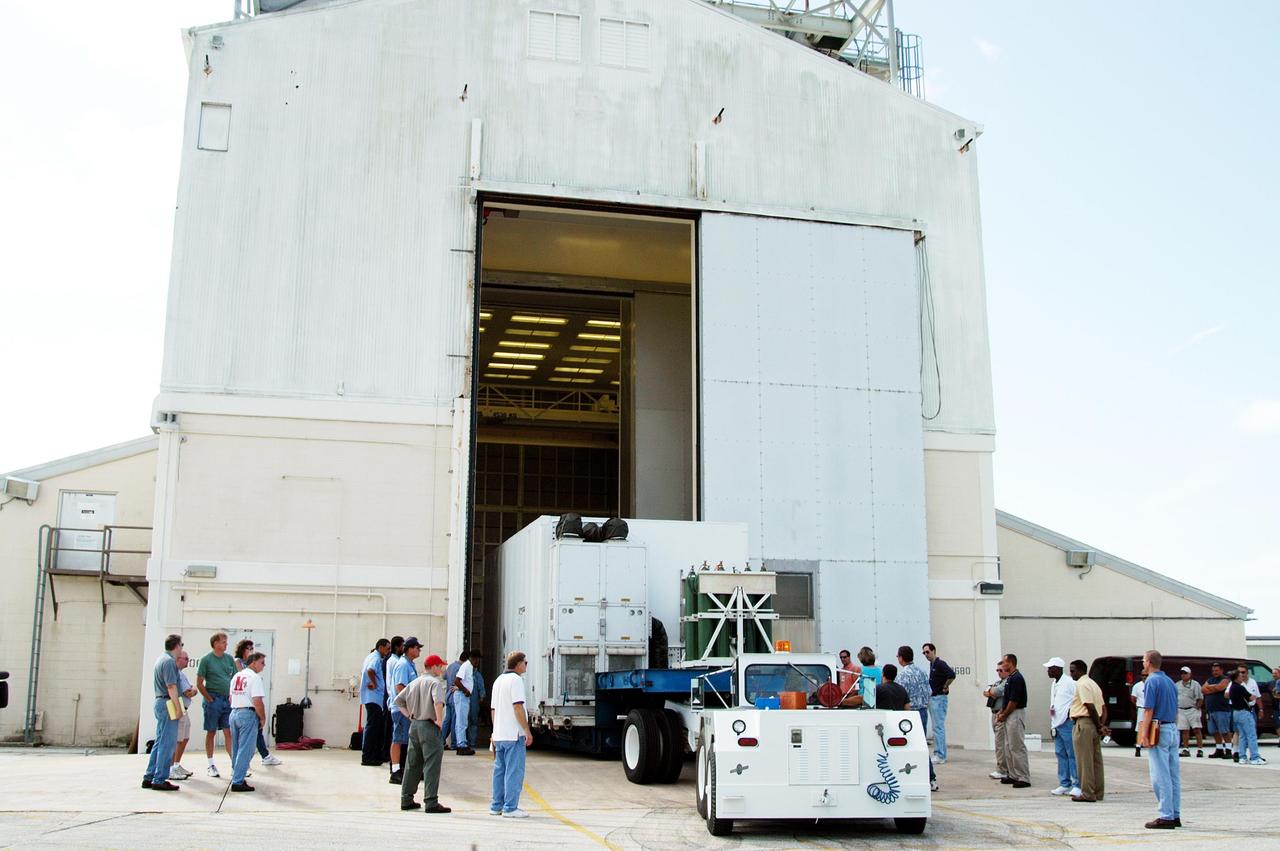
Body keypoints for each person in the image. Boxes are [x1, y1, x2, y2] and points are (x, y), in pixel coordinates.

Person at [395, 653, 452, 813]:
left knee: (412, 763)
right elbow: (438, 702)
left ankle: (406, 799)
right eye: (440, 666)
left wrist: (409, 715)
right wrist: (439, 721)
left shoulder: (414, 683)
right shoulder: (435, 683)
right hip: (429, 725)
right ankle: (431, 802)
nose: (441, 669)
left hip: (415, 726)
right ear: (433, 667)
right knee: (431, 765)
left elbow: (398, 701)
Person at [1138, 650, 1179, 829]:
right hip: (1171, 727)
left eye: (1144, 661)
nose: (1143, 663)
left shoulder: (1151, 681)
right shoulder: (1170, 681)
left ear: (1149, 662)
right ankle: (1175, 813)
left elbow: (1148, 710)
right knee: (1173, 774)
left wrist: (1144, 734)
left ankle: (1166, 814)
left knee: (1159, 774)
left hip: (1158, 728)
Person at [490, 651, 534, 818]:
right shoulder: (516, 680)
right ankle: (510, 807)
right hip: (513, 733)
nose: (526, 665)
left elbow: (493, 709)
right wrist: (526, 730)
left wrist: (495, 731)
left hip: (499, 734)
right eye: (525, 662)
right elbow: (518, 707)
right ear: (518, 664)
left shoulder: (498, 681)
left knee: (499, 771)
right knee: (514, 771)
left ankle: (496, 805)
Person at [142, 634, 185, 791]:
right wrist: (178, 708)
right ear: (177, 646)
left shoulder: (161, 659)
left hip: (161, 702)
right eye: (182, 645)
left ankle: (150, 775)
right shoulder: (168, 662)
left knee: (160, 742)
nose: (182, 648)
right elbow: (171, 686)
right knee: (167, 743)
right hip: (167, 703)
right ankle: (159, 778)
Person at [234, 639, 282, 767]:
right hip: (243, 705)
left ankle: (262, 756)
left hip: (247, 705)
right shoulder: (240, 665)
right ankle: (241, 768)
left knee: (255, 734)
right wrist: (262, 717)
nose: (250, 650)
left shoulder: (252, 674)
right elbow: (256, 699)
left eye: (252, 648)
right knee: (244, 742)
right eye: (248, 648)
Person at [196, 632, 237, 778]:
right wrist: (209, 699)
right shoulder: (206, 660)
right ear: (215, 644)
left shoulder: (229, 659)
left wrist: (232, 697)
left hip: (227, 700)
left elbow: (234, 679)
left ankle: (235, 765)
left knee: (229, 732)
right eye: (223, 641)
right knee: (211, 731)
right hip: (213, 699)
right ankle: (211, 764)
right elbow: (199, 683)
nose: (226, 644)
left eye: (226, 641)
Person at [896, 646, 936, 791]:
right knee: (922, 745)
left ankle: (917, 777)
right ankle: (931, 778)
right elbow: (929, 692)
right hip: (923, 711)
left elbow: (901, 696)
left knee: (910, 746)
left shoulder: (902, 675)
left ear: (901, 658)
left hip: (909, 714)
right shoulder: (922, 672)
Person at [1068, 659, 1108, 803]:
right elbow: (1103, 709)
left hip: (1084, 723)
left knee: (1084, 761)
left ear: (1080, 670)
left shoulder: (1082, 684)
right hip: (1094, 723)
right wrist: (1100, 725)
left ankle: (1087, 793)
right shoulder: (1094, 684)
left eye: (1072, 671)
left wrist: (1098, 726)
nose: (1071, 674)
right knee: (1096, 760)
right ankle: (1098, 792)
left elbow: (1089, 706)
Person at [228, 652, 268, 793]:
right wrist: (262, 718)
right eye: (262, 662)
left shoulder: (237, 676)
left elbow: (230, 698)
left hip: (234, 712)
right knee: (246, 749)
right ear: (254, 662)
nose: (264, 666)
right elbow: (257, 701)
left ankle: (236, 775)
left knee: (237, 747)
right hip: (247, 713)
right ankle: (238, 781)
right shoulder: (255, 678)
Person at [387, 637, 422, 784]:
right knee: (398, 739)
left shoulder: (409, 664)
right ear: (410, 649)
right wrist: (408, 707)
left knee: (407, 740)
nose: (419, 650)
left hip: (407, 709)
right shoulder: (403, 665)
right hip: (401, 709)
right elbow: (400, 687)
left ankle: (407, 770)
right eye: (417, 648)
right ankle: (395, 771)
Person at [1044, 657, 1079, 797]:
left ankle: (1077, 783)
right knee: (1061, 754)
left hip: (1067, 722)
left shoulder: (1070, 683)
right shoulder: (1054, 683)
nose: (1048, 670)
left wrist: (1071, 713)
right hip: (1057, 723)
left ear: (1057, 668)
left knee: (1072, 754)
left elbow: (1077, 698)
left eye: (1050, 668)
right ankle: (1064, 783)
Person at [996, 653, 1030, 788]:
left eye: (1004, 662)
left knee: (1016, 746)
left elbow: (1014, 701)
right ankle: (1013, 774)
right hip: (1008, 713)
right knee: (1008, 746)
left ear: (1010, 663)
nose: (1002, 665)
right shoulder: (1010, 678)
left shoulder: (1017, 678)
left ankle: (1023, 776)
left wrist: (1004, 713)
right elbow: (1006, 699)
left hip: (1015, 714)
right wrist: (1001, 711)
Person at [922, 642, 955, 765]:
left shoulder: (940, 664)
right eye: (924, 653)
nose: (926, 654)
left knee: (938, 727)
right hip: (934, 698)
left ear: (934, 651)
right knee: (936, 727)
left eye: (928, 652)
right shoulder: (933, 664)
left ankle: (940, 754)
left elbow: (952, 674)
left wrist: (945, 686)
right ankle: (939, 752)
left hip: (939, 698)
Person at [361, 638, 392, 766]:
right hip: (373, 698)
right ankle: (368, 756)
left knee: (374, 727)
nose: (389, 650)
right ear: (381, 647)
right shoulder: (375, 658)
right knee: (373, 727)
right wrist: (374, 683)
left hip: (373, 698)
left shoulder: (373, 656)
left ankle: (372, 754)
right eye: (387, 648)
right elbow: (370, 670)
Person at [169, 650, 198, 780]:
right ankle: (170, 768)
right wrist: (195, 690)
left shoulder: (181, 674)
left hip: (184, 709)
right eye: (186, 659)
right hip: (179, 709)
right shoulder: (178, 674)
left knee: (184, 737)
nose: (188, 661)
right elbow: (189, 692)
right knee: (177, 739)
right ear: (178, 659)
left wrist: (193, 689)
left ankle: (176, 764)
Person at [1229, 665, 1265, 765]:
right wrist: (1252, 696)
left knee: (1242, 736)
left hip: (1236, 712)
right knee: (1251, 735)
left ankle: (1242, 757)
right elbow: (1251, 697)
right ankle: (1254, 757)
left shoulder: (1232, 687)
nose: (1242, 677)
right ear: (1236, 678)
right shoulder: (1240, 687)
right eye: (1240, 676)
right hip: (1244, 712)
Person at [984, 660, 1009, 781]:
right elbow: (987, 691)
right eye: (997, 670)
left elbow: (996, 691)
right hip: (994, 713)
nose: (999, 673)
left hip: (1001, 713)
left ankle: (1002, 769)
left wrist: (991, 692)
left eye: (1001, 670)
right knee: (998, 743)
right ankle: (1002, 767)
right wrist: (991, 692)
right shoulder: (998, 682)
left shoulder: (1007, 682)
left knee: (1000, 744)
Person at [1202, 662, 1232, 758]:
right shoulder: (1210, 679)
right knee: (1214, 731)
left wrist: (1210, 687)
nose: (1214, 672)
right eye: (1213, 671)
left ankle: (1228, 750)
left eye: (1216, 670)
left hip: (1222, 709)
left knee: (1224, 731)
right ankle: (1219, 749)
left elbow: (1221, 687)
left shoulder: (1226, 679)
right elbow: (1203, 689)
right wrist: (1214, 688)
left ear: (1221, 670)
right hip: (1211, 710)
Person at [382, 636, 404, 764]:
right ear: (398, 647)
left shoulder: (393, 660)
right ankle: (394, 764)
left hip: (393, 700)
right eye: (402, 646)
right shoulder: (396, 662)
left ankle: (393, 762)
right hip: (397, 702)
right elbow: (398, 685)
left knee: (394, 735)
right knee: (396, 737)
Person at [1174, 666, 1204, 758]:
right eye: (1182, 673)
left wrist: (1197, 708)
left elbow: (1200, 698)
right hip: (1181, 709)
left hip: (1192, 709)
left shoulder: (1195, 684)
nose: (1183, 675)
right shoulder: (1177, 684)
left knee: (1196, 729)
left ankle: (1200, 749)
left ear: (1189, 674)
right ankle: (1186, 749)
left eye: (1185, 673)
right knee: (1184, 730)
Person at [452, 650, 476, 755]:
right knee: (462, 721)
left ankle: (461, 743)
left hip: (463, 696)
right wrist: (465, 690)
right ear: (472, 658)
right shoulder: (466, 666)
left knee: (461, 721)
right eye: (476, 659)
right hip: (462, 696)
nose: (477, 661)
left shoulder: (468, 667)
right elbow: (456, 680)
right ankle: (461, 745)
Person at [441, 651, 466, 749]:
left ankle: (441, 740)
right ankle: (454, 743)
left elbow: (443, 677)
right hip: (455, 697)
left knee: (447, 720)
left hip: (448, 696)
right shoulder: (460, 668)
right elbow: (459, 682)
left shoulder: (451, 666)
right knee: (455, 721)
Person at [468, 659, 487, 749]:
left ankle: (471, 742)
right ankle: (466, 742)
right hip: (469, 701)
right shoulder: (467, 674)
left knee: (473, 722)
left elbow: (482, 689)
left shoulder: (477, 675)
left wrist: (481, 698)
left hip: (474, 702)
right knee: (465, 723)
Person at [1130, 671, 1147, 758]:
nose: (1144, 677)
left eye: (1146, 675)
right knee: (1140, 729)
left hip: (1151, 709)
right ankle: (1138, 747)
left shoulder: (1153, 684)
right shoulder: (1137, 686)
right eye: (1143, 675)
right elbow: (1133, 698)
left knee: (1153, 728)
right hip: (1141, 708)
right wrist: (1137, 706)